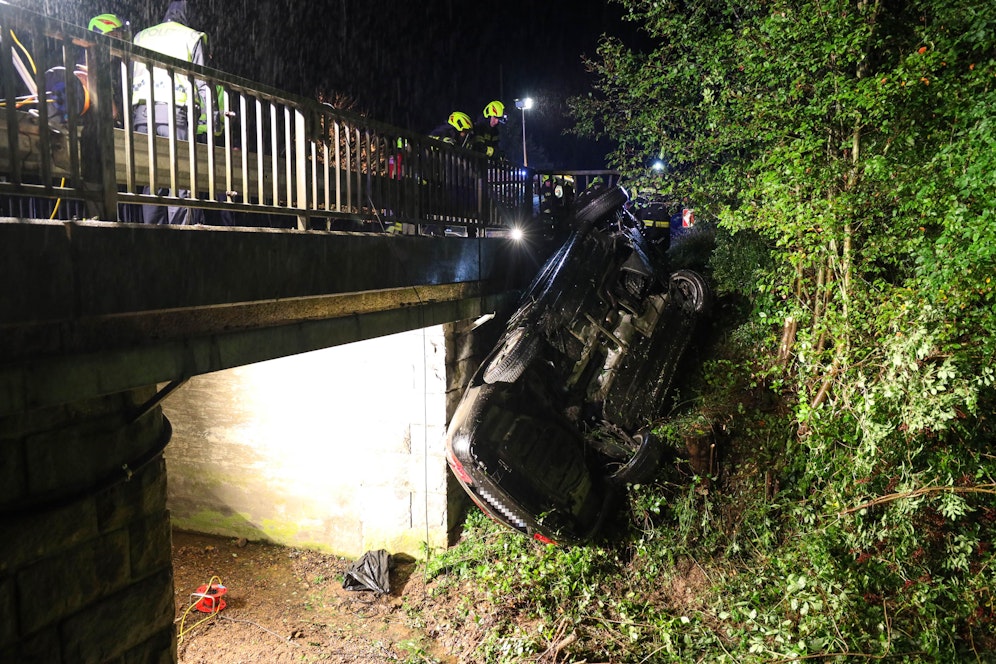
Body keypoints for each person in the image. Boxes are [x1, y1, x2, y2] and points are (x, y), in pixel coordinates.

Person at [131, 0, 211, 225]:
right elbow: (203, 84)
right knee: (180, 179)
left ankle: (153, 240)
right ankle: (180, 243)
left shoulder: (141, 36)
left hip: (142, 115)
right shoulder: (191, 36)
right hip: (174, 115)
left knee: (152, 180)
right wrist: (213, 122)